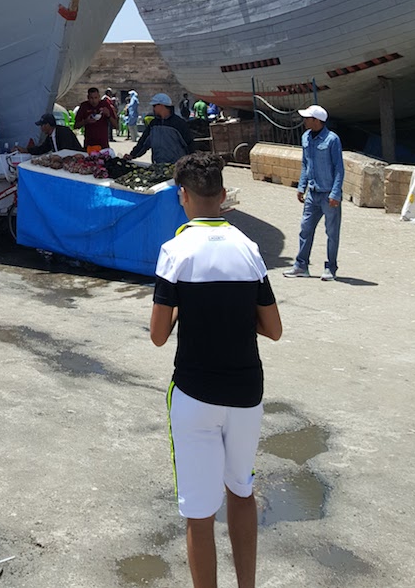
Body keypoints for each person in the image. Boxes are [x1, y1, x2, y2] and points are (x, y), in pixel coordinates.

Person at [151, 153, 282, 588]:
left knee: (198, 512)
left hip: (195, 392)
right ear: (224, 196)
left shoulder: (175, 250)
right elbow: (274, 329)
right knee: (241, 492)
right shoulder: (249, 249)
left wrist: (184, 311)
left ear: (182, 196)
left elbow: (157, 334)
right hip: (246, 392)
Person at [284, 104, 344, 281]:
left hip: (328, 195)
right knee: (305, 229)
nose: (304, 121)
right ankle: (301, 265)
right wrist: (301, 186)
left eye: (307, 118)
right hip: (312, 193)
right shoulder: (305, 138)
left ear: (316, 121)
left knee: (332, 233)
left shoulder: (332, 140)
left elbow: (339, 168)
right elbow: (305, 164)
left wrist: (335, 193)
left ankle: (330, 268)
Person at [130, 94, 194, 166]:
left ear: (162, 105)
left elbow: (189, 144)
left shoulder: (179, 123)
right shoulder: (153, 124)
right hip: (158, 166)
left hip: (177, 167)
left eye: (154, 106)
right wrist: (132, 155)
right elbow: (143, 143)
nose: (153, 109)